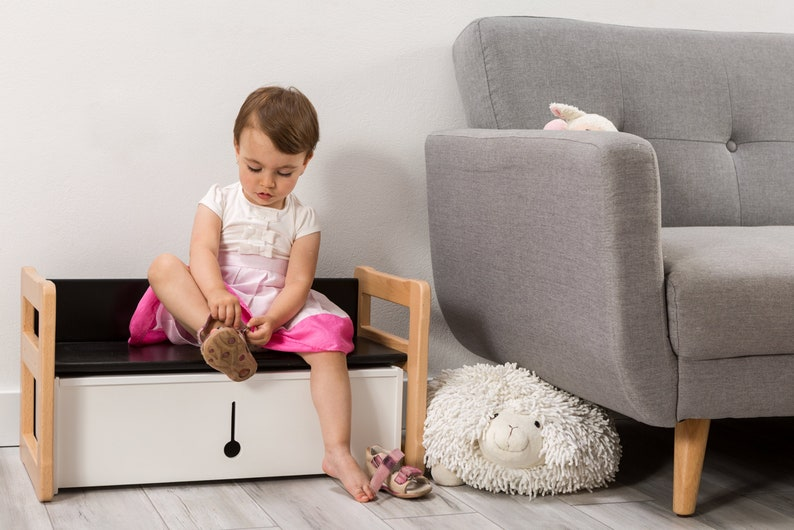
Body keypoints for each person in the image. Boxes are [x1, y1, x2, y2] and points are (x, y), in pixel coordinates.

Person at [128, 86, 376, 503]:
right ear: (236, 148)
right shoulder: (219, 199)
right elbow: (202, 251)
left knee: (329, 347)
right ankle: (216, 338)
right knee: (163, 266)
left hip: (273, 305)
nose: (266, 182)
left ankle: (336, 451)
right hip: (217, 303)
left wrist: (276, 318)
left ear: (306, 163)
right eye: (254, 166)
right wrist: (215, 292)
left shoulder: (304, 218)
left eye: (285, 172)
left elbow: (299, 283)